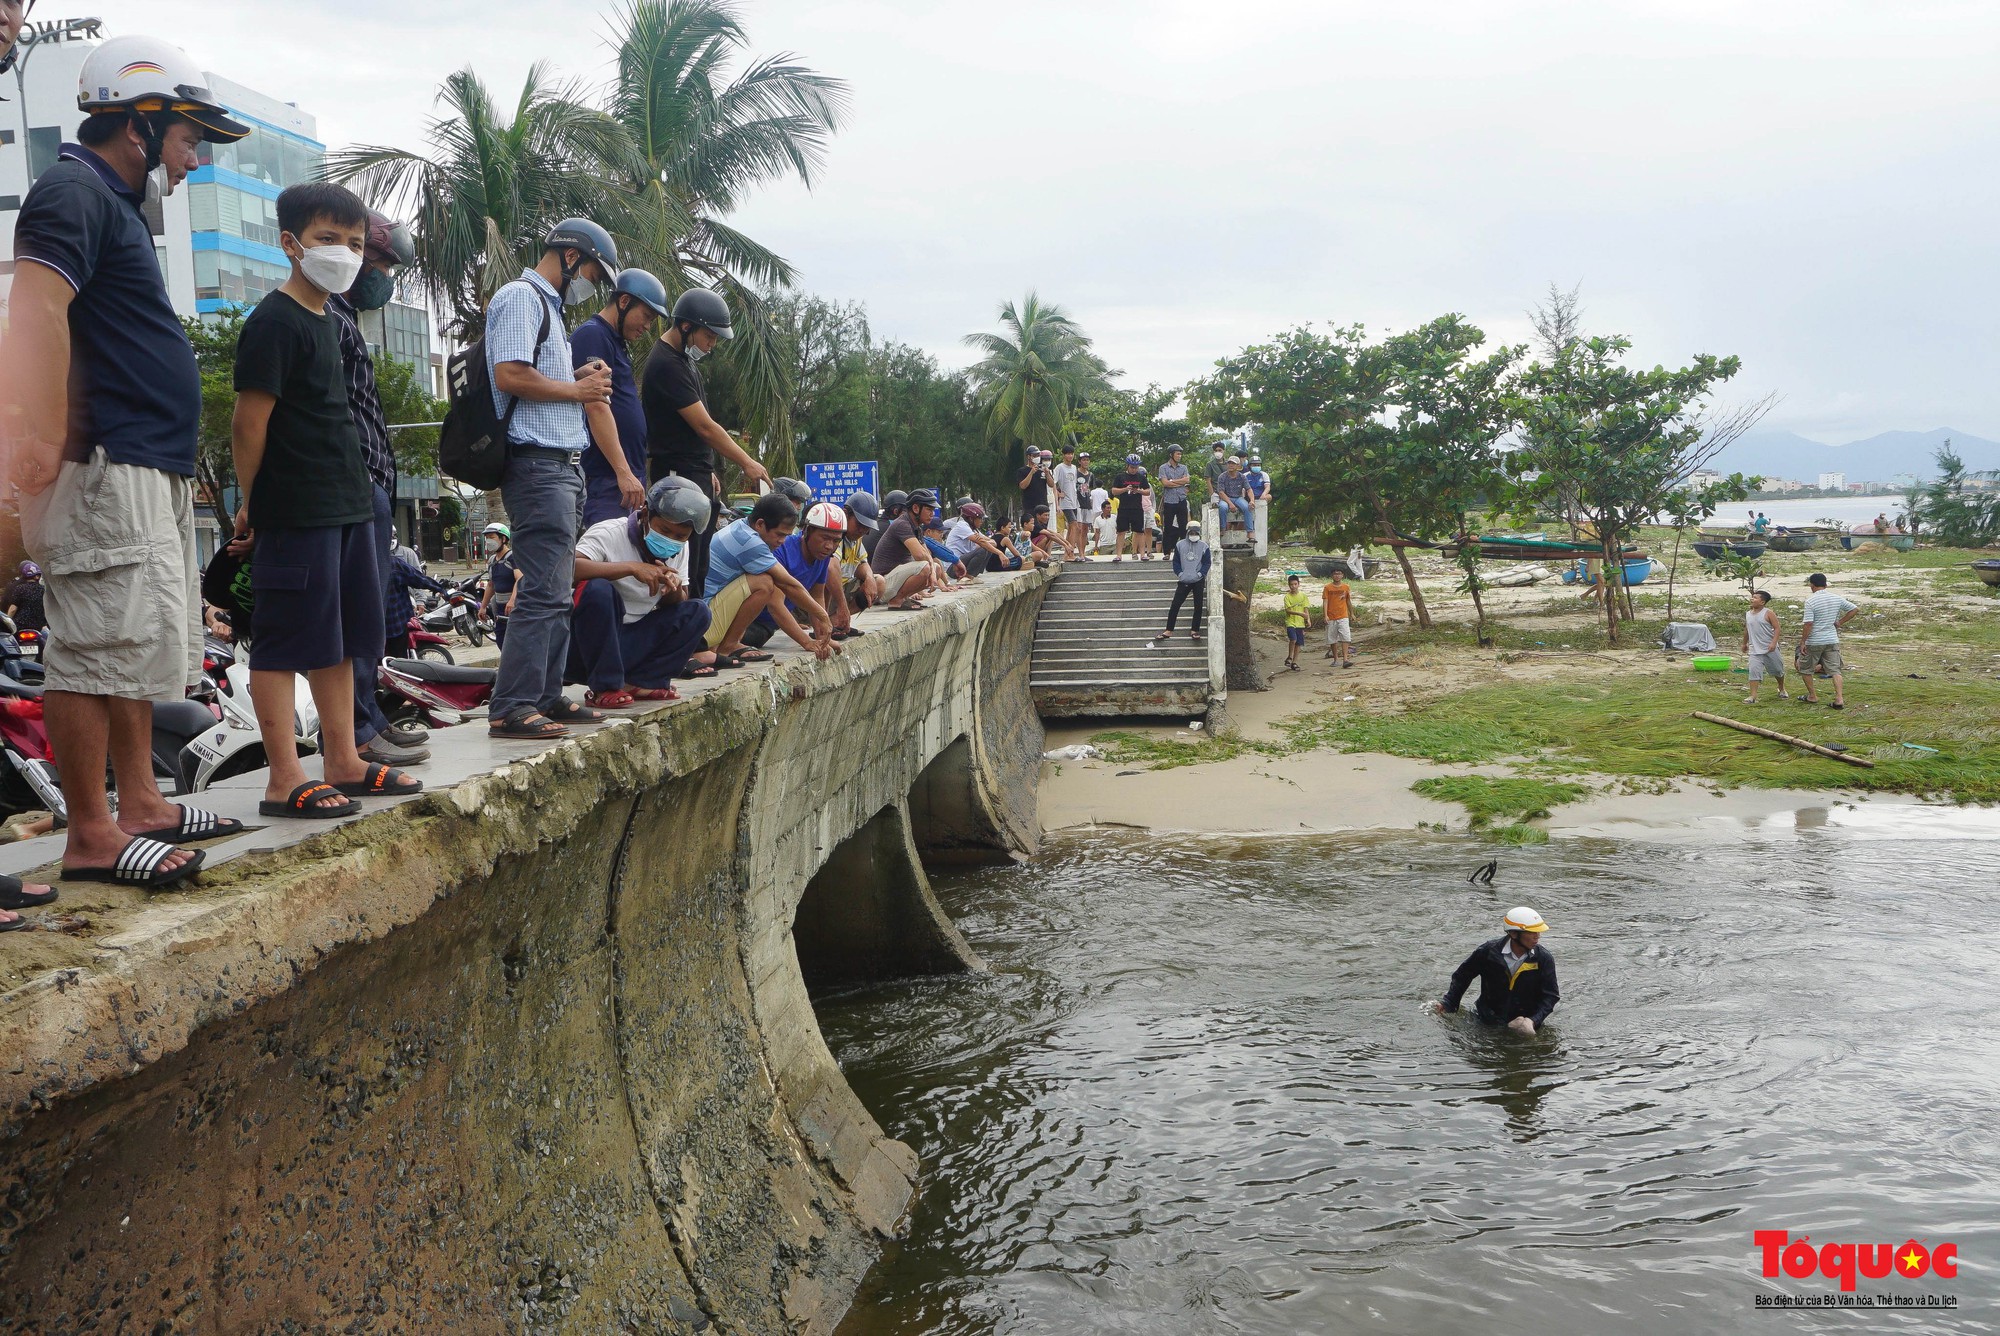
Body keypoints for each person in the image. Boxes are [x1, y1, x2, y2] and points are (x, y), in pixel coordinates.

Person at [2, 36, 256, 889]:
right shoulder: (73, 192)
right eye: (190, 140)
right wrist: (33, 435)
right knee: (93, 645)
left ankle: (141, 801)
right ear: (140, 122)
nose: (194, 162)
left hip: (140, 464)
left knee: (134, 645)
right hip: (100, 463)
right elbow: (35, 314)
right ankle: (91, 833)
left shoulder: (112, 206)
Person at [231, 181, 422, 818]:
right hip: (296, 508)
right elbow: (249, 421)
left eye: (354, 243)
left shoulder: (329, 319)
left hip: (347, 505)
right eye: (327, 240)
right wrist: (251, 502)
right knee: (285, 641)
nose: (343, 253)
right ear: (291, 244)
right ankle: (284, 777)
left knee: (342, 640)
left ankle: (343, 757)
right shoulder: (274, 321)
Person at [485, 217, 621, 741]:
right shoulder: (522, 298)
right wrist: (578, 393)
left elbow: (537, 380)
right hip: (538, 464)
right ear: (569, 256)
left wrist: (576, 382)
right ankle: (513, 706)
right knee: (542, 590)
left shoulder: (549, 308)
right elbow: (511, 375)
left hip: (559, 465)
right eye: (591, 270)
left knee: (558, 590)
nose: (591, 281)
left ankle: (543, 695)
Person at [330, 209, 429, 767]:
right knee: (355, 621)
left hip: (370, 489)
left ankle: (368, 720)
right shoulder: (323, 317)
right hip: (350, 490)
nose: (383, 275)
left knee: (368, 622)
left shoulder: (345, 319)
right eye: (380, 261)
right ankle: (358, 733)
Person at [641, 287, 773, 598]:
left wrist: (707, 469)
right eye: (709, 335)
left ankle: (696, 633)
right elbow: (705, 427)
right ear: (686, 326)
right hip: (677, 474)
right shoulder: (666, 364)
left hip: (695, 470)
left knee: (700, 559)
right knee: (683, 563)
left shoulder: (685, 361)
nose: (712, 344)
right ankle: (683, 637)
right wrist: (747, 462)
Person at [566, 478, 714, 708]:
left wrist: (671, 587)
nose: (671, 540)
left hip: (630, 643)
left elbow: (678, 601)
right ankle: (604, 686)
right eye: (664, 530)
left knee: (697, 611)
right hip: (585, 647)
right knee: (598, 588)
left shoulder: (681, 548)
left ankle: (643, 681)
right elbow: (570, 569)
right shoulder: (609, 532)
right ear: (645, 513)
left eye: (680, 536)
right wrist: (631, 568)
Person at [575, 269, 672, 525]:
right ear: (624, 301)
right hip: (607, 478)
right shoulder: (593, 334)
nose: (648, 326)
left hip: (625, 478)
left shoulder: (615, 342)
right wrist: (623, 471)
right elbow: (595, 406)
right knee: (608, 558)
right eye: (646, 316)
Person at [701, 494, 838, 665]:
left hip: (703, 616)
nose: (782, 541)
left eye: (787, 536)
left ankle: (725, 643)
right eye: (779, 535)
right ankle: (728, 645)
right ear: (760, 524)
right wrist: (823, 616)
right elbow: (788, 585)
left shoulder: (741, 526)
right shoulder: (750, 542)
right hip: (702, 626)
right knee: (763, 583)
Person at [1432, 907, 1560, 1036]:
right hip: (1486, 1020)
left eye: (1538, 932)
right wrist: (1448, 1004)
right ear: (1514, 934)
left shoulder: (1544, 959)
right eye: (1532, 932)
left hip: (1523, 1024)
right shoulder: (1488, 952)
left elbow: (1551, 996)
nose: (1537, 936)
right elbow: (1462, 976)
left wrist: (1532, 1021)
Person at [741, 501, 848, 648]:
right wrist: (806, 642)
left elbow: (817, 596)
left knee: (758, 637)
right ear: (807, 531)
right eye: (824, 538)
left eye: (836, 541)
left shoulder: (822, 557)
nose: (829, 546)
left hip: (766, 627)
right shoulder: (781, 550)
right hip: (746, 621)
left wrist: (823, 638)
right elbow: (775, 605)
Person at [872, 490, 947, 609]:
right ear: (916, 508)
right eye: (929, 509)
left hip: (894, 581)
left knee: (936, 568)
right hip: (883, 585)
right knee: (924, 567)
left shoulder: (917, 528)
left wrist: (933, 571)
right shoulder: (902, 524)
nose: (932, 514)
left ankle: (904, 597)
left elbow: (926, 553)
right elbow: (920, 555)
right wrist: (931, 570)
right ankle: (896, 600)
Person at [1798, 572, 1858, 709]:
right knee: (1835, 670)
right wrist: (1840, 622)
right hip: (1831, 639)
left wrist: (1803, 642)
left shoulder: (1811, 601)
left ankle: (1812, 695)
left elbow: (1808, 624)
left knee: (1806, 669)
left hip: (1815, 640)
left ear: (1811, 585)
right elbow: (1854, 609)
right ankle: (1839, 698)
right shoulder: (1836, 598)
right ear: (1825, 584)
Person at [384, 549, 448, 660]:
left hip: (370, 631)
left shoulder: (361, 565)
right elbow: (418, 579)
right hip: (395, 624)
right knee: (399, 663)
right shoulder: (393, 564)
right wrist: (439, 588)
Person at [837, 492, 885, 624]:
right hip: (823, 590)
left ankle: (837, 622)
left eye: (866, 527)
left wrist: (869, 578)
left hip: (841, 588)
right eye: (859, 525)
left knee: (878, 582)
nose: (862, 530)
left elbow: (861, 563)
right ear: (846, 514)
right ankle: (832, 620)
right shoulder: (833, 536)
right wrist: (841, 605)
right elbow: (830, 572)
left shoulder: (856, 539)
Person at [1158, 527, 1209, 642]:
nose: (1193, 535)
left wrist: (1201, 574)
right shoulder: (1180, 545)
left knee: (1198, 605)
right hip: (1184, 580)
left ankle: (1195, 630)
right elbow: (1176, 561)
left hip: (1198, 580)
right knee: (1175, 605)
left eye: (1196, 533)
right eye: (1192, 533)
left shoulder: (1204, 546)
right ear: (1187, 533)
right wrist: (1180, 573)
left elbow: (1207, 562)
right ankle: (1169, 630)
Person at [1742, 589, 1788, 703]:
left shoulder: (1768, 613)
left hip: (1769, 648)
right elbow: (1747, 629)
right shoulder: (1748, 614)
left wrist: (1773, 642)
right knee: (1754, 671)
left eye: (1755, 597)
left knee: (1778, 670)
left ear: (1762, 602)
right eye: (1752, 597)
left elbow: (1777, 628)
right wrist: (1744, 643)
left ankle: (1781, 688)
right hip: (1754, 649)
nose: (1752, 599)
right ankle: (1753, 696)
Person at [476, 523, 517, 648]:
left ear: (503, 539)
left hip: (514, 608)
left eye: (492, 537)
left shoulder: (513, 557)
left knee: (514, 642)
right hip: (499, 608)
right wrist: (483, 607)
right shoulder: (492, 560)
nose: (489, 541)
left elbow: (521, 579)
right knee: (501, 640)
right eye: (487, 537)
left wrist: (512, 601)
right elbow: (491, 585)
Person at [946, 501, 1006, 575]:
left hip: (962, 564)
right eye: (980, 518)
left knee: (987, 548)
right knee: (983, 549)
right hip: (954, 567)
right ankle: (968, 576)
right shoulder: (962, 526)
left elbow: (993, 542)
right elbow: (982, 542)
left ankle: (973, 575)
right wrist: (999, 553)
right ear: (971, 518)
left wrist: (983, 543)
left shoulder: (973, 529)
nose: (982, 521)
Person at [1112, 454, 1151, 561]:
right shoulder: (1120, 477)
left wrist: (1139, 491)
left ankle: (1142, 554)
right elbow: (1114, 491)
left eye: (1136, 467)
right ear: (1127, 466)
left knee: (1139, 531)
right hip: (1124, 508)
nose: (1134, 469)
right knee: (1121, 531)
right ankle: (1119, 555)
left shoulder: (1141, 477)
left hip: (1137, 508)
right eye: (1132, 467)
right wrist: (1125, 489)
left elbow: (1148, 492)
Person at [1157, 445, 1192, 552]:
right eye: (1177, 453)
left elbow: (1186, 480)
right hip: (1169, 501)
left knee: (1183, 526)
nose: (1179, 456)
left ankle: (1183, 551)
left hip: (1181, 499)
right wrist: (1178, 482)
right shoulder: (1163, 468)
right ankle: (1167, 551)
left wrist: (1172, 481)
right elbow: (1165, 483)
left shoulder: (1183, 467)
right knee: (1167, 527)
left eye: (1180, 454)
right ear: (1171, 454)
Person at [1053, 445, 1084, 558]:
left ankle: (1067, 553)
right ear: (1063, 455)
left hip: (1074, 501)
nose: (1070, 456)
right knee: (1074, 525)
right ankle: (1070, 553)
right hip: (1065, 502)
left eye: (1071, 454)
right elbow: (1053, 483)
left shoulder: (1074, 468)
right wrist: (1058, 495)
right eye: (1067, 454)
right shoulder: (1059, 468)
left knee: (1073, 528)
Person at [1216, 454, 1254, 540]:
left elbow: (1249, 489)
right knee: (1222, 507)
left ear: (1238, 465)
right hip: (1225, 498)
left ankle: (1250, 532)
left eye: (1233, 463)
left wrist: (1252, 500)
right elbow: (1221, 492)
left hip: (1238, 497)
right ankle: (1223, 528)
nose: (1230, 465)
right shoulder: (1222, 476)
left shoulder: (1242, 477)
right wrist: (1230, 503)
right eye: (1229, 463)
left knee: (1247, 507)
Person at [1322, 566, 1354, 667]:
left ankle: (1345, 659)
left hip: (1343, 615)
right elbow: (1325, 601)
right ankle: (1336, 659)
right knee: (1332, 639)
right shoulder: (1327, 587)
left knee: (1345, 637)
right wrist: (1325, 615)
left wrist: (1351, 613)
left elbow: (1348, 600)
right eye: (1335, 574)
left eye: (1339, 573)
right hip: (1331, 616)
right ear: (1332, 575)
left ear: (1342, 575)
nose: (1337, 576)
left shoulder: (1346, 587)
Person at [4, 562, 46, 634]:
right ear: (37, 576)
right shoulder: (43, 590)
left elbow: (13, 609)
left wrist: (7, 623)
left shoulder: (19, 588)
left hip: (20, 626)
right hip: (39, 627)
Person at [1281, 573, 1311, 670]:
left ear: (1298, 584)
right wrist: (1300, 614)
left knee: (1299, 643)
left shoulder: (1303, 596)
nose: (1293, 586)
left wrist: (1308, 619)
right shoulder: (1287, 597)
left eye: (1295, 584)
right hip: (1291, 622)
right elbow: (1288, 610)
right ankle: (1290, 656)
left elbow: (1305, 609)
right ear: (1289, 585)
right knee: (1293, 639)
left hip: (1300, 623)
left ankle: (1294, 662)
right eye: (1291, 585)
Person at [1017, 448, 1053, 520]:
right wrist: (1031, 472)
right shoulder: (1022, 471)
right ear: (1029, 457)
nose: (1037, 457)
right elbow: (1022, 486)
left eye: (1038, 455)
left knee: (1043, 528)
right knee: (1033, 527)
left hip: (1043, 504)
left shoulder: (1042, 469)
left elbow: (1051, 484)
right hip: (1030, 506)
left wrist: (1047, 474)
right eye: (1034, 455)